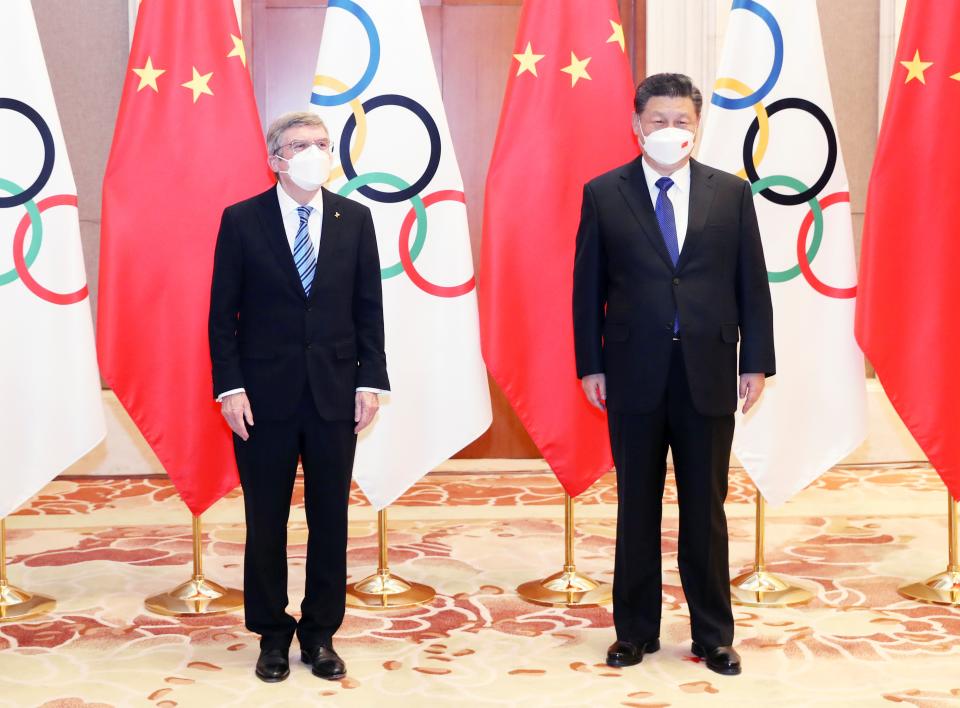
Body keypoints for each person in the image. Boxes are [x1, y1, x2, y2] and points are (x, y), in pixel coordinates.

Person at [573, 73, 775, 676]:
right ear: (637, 126)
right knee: (637, 506)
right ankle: (634, 631)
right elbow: (587, 289)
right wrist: (591, 364)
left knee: (705, 511)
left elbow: (752, 283)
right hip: (632, 373)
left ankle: (713, 634)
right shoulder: (604, 192)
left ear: (698, 125)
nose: (669, 131)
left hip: (709, 371)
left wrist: (757, 361)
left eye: (681, 121)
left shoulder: (730, 194)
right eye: (657, 120)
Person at [209, 111, 388, 683]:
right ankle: (269, 633)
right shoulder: (241, 220)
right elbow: (222, 316)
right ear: (275, 158)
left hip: (336, 393)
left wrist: (370, 380)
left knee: (329, 518)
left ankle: (320, 634)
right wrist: (229, 387)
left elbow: (369, 310)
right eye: (298, 145)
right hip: (262, 396)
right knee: (267, 519)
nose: (312, 152)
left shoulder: (354, 218)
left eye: (320, 143)